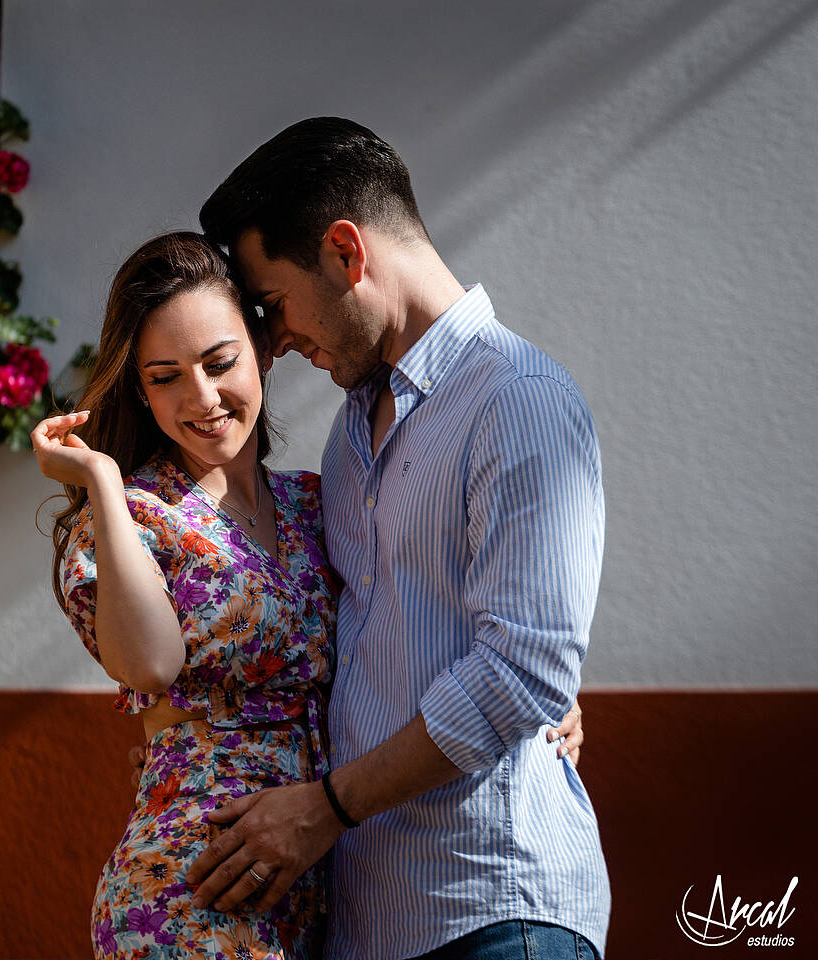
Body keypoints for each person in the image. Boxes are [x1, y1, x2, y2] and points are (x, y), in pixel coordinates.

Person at [183, 117, 610, 960]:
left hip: (493, 910)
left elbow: (524, 670)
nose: (275, 343)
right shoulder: (349, 438)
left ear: (346, 251)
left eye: (274, 304)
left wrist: (327, 807)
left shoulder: (518, 399)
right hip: (369, 921)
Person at [33, 232, 338, 958]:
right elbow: (149, 665)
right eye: (166, 377)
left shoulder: (317, 505)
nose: (201, 398)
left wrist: (537, 703)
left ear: (263, 350)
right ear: (140, 390)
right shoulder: (131, 516)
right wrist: (102, 481)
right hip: (190, 887)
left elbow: (413, 616)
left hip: (322, 880)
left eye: (219, 362)